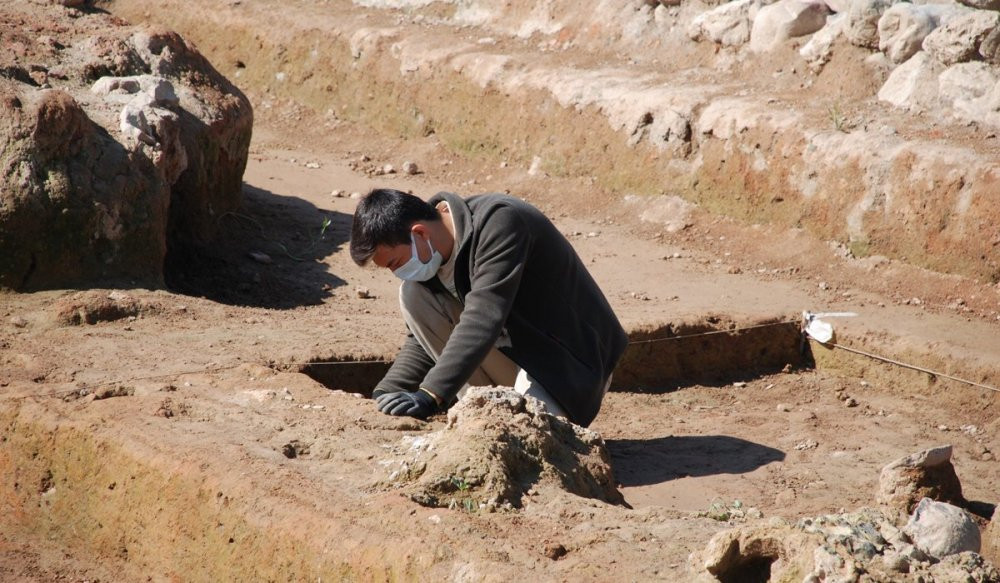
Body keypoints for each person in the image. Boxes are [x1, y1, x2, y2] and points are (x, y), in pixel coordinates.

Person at [349, 188, 627, 427]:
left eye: (395, 263)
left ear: (419, 233)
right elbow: (424, 339)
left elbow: (484, 316)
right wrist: (388, 393)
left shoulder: (500, 221)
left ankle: (502, 412)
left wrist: (431, 394)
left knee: (525, 434)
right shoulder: (432, 258)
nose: (398, 272)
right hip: (516, 355)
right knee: (412, 295)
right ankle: (483, 409)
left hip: (569, 363)